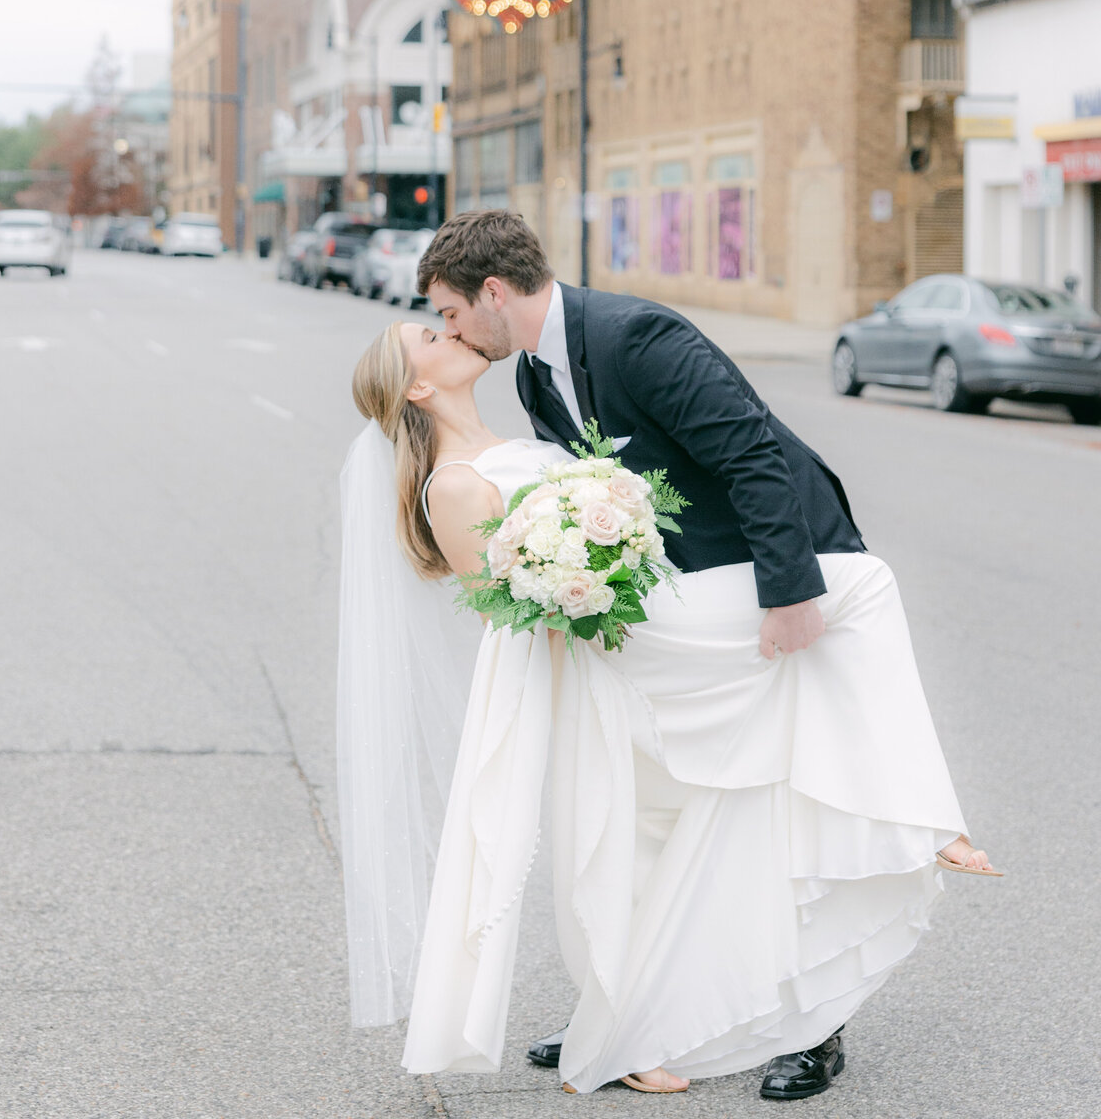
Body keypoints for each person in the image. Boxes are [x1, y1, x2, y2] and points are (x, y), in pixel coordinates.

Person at [339, 212, 999, 1101]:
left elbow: (748, 450)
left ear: (493, 293)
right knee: (654, 826)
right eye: (435, 328)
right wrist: (576, 577)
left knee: (833, 654)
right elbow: (519, 568)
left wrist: (788, 591)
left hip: (735, 577)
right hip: (628, 627)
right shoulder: (533, 384)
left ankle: (863, 922)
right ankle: (633, 1010)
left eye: (449, 313)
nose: (449, 329)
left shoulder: (634, 336)